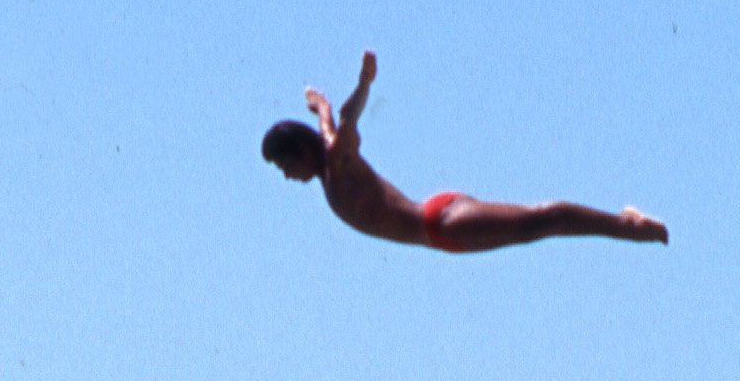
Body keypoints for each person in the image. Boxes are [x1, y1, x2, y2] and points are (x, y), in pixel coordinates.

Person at [263, 52, 667, 252]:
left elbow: (346, 126)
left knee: (540, 221)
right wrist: (320, 106)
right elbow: (333, 124)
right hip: (438, 221)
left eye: (286, 164)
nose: (287, 175)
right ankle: (623, 225)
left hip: (441, 223)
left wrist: (363, 84)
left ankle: (625, 225)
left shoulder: (335, 159)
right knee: (536, 225)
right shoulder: (327, 161)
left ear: (304, 151)